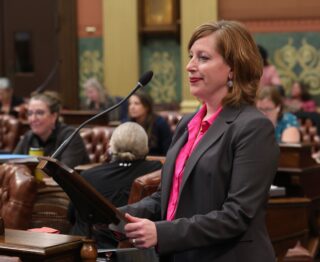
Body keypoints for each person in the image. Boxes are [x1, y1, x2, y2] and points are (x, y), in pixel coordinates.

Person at [112, 20, 280, 262]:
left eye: (203, 57)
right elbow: (168, 197)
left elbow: (237, 215)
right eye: (191, 56)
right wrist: (117, 215)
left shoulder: (253, 127)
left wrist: (161, 232)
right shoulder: (186, 124)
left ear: (233, 67)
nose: (190, 66)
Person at [69, 122, 163, 248]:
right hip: (138, 249)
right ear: (145, 146)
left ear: (111, 145)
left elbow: (71, 216)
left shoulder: (89, 175)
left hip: (89, 248)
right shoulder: (157, 171)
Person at [14, 91, 90, 168]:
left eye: (39, 113)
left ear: (54, 116)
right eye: (30, 113)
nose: (33, 119)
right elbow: (12, 164)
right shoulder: (28, 136)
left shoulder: (70, 136)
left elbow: (65, 172)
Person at [128, 90, 173, 156]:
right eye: (130, 104)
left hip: (156, 163)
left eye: (136, 103)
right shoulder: (127, 124)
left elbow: (168, 152)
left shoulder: (160, 124)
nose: (132, 107)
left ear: (147, 106)